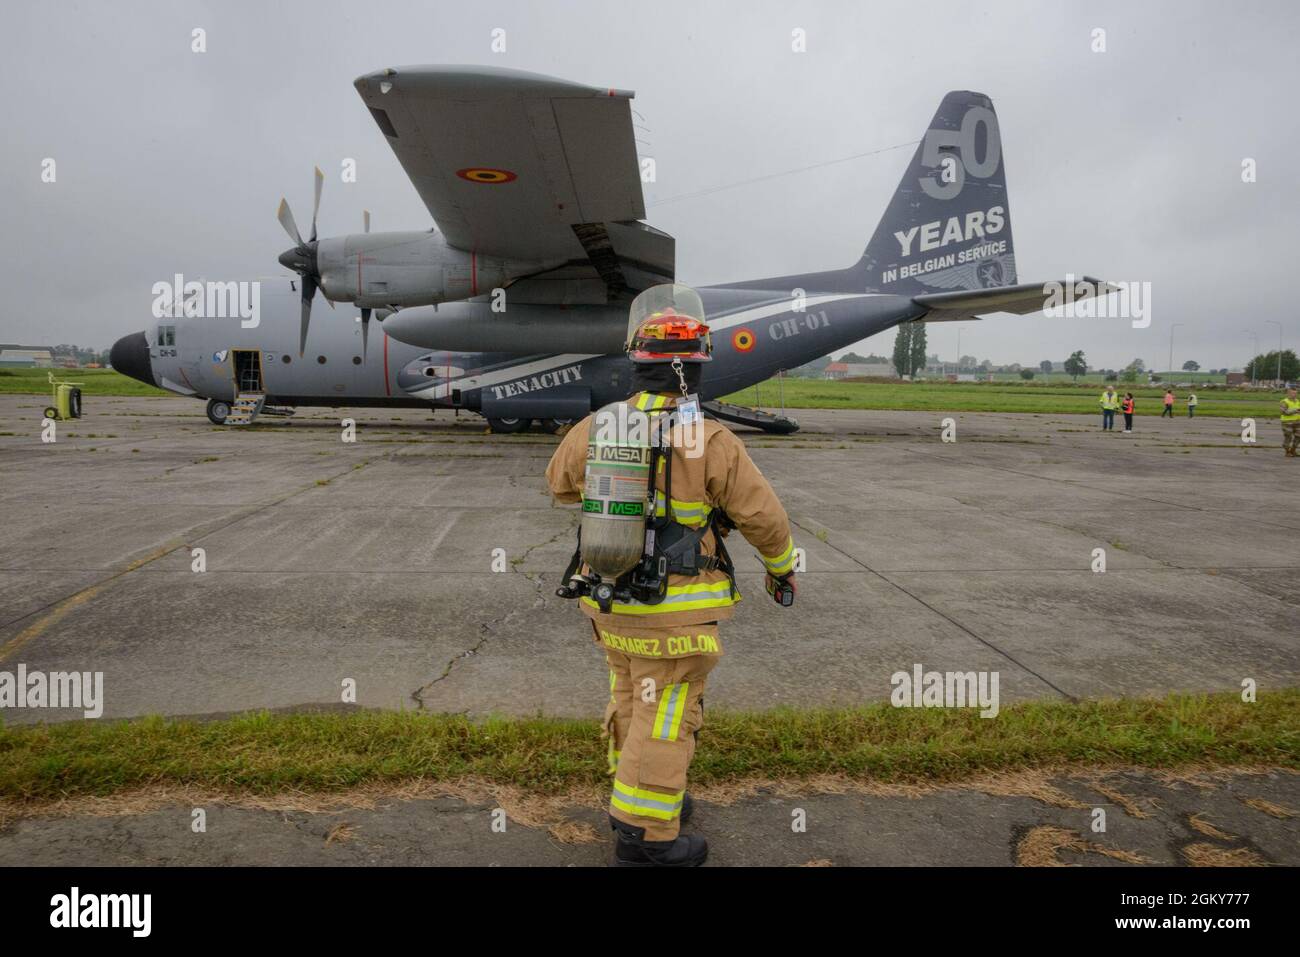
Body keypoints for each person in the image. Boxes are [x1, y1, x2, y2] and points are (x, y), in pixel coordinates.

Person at [545, 284, 797, 867]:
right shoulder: (709, 439)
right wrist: (781, 571)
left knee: (634, 696)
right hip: (676, 615)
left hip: (610, 603)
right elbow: (764, 518)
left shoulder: (600, 426)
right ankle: (646, 840)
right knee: (666, 718)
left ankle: (633, 798)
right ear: (696, 370)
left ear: (637, 365)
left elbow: (557, 484)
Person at [1281, 387, 1300, 457]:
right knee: (1288, 437)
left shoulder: (1298, 401)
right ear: (1288, 393)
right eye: (1293, 393)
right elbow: (1284, 412)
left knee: (1298, 436)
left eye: (1296, 393)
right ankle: (1287, 451)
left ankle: (1293, 450)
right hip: (1287, 422)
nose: (1294, 394)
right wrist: (1295, 410)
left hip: (1297, 422)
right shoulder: (1284, 402)